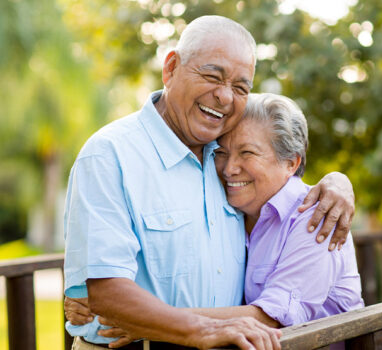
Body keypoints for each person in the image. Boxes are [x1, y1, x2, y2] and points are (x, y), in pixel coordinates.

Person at [63, 16, 355, 350]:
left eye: (241, 88)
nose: (225, 97)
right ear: (171, 68)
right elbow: (107, 294)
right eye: (211, 75)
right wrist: (184, 327)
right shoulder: (109, 155)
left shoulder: (224, 163)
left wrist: (338, 182)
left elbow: (280, 171)